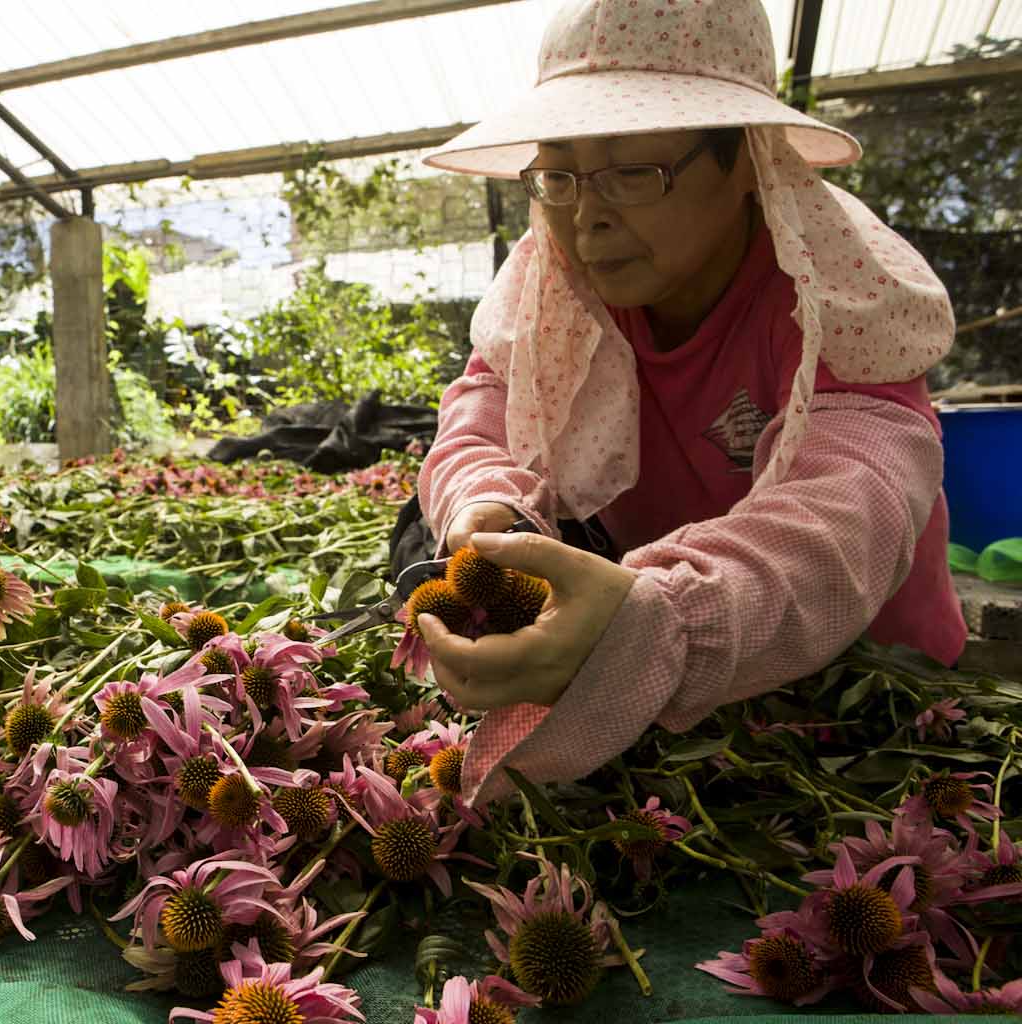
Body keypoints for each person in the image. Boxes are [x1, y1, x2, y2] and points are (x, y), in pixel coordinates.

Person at [411, 0, 967, 807]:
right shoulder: (556, 290)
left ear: (746, 158)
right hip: (677, 688)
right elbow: (483, 404)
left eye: (634, 171)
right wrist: (487, 505)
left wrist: (667, 616)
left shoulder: (833, 296)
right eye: (558, 175)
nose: (587, 215)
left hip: (869, 692)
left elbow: (856, 499)